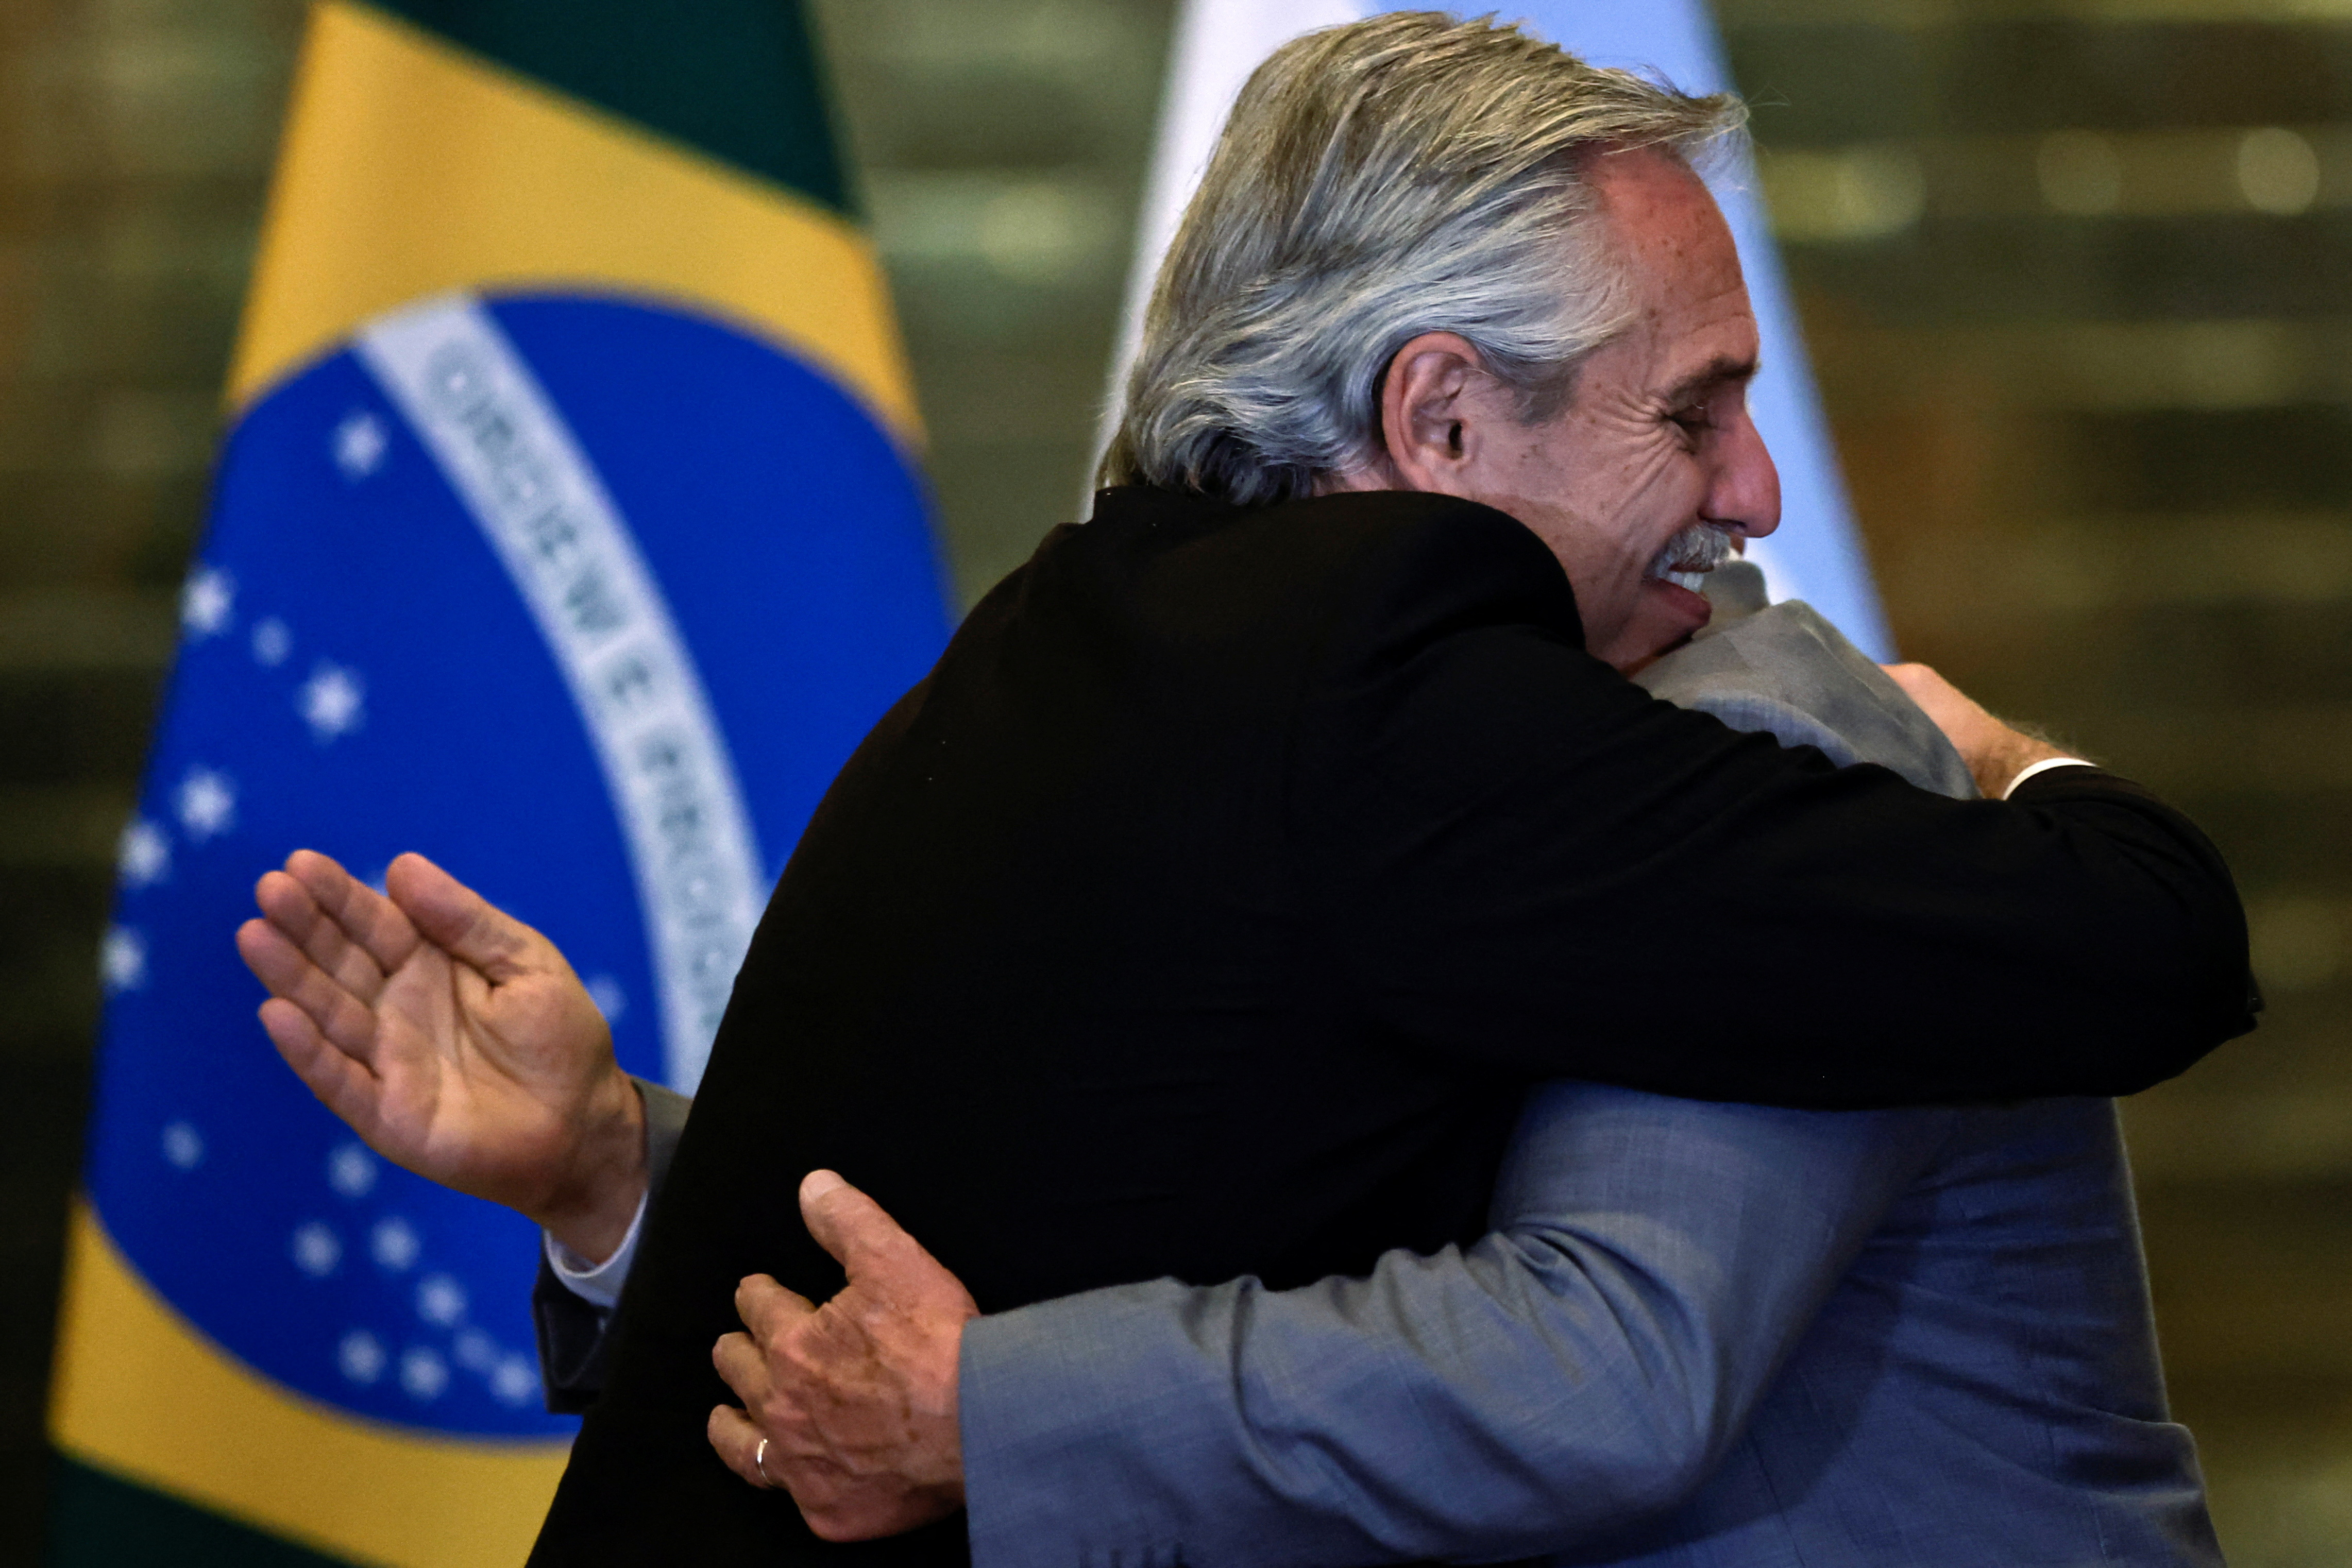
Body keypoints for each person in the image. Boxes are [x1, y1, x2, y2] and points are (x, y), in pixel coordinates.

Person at [238, 15, 2254, 1565]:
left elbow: (1160, 1185)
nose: (1758, 498)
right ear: (1439, 408)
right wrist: (2021, 769)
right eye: (1692, 410)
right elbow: (1590, 1357)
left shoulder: (1077, 640)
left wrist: (655, 1201)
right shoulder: (1388, 690)